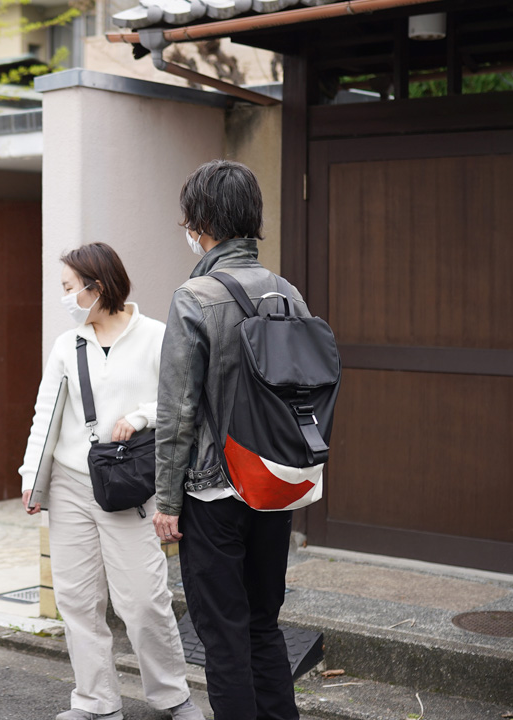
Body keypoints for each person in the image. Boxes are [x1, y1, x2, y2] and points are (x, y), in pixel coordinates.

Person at [19, 242, 203, 720]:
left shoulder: (158, 337)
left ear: (96, 286)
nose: (65, 297)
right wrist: (30, 477)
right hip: (70, 484)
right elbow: (47, 415)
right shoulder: (68, 344)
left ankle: (173, 696)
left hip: (129, 486)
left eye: (69, 288)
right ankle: (96, 703)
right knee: (78, 600)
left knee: (143, 600)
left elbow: (183, 402)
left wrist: (140, 416)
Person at [153, 160, 308, 720]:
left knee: (222, 637)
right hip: (273, 483)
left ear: (202, 222)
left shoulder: (194, 295)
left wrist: (167, 502)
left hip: (212, 493)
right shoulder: (289, 293)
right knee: (264, 625)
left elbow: (177, 411)